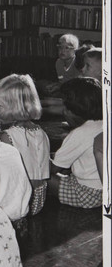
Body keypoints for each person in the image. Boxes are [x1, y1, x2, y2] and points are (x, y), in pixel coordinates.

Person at [0, 74, 50, 215]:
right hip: (40, 198)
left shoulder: (8, 136)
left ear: (13, 107)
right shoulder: (41, 132)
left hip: (23, 200)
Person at [48, 77, 102, 208]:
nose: (63, 111)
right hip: (101, 189)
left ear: (74, 112)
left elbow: (52, 169)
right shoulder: (102, 123)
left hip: (87, 194)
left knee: (39, 175)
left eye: (66, 107)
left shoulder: (79, 133)